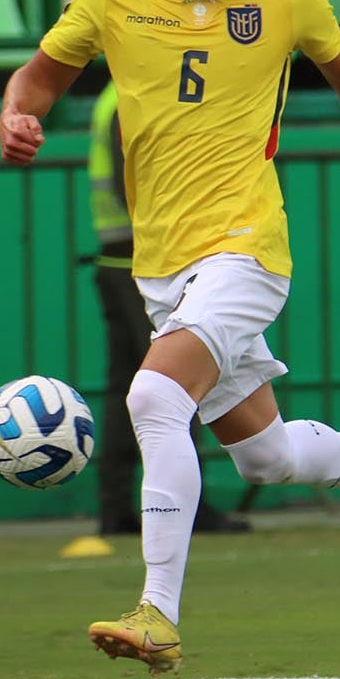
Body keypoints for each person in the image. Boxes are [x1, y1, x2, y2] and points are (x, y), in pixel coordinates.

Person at [0, 0, 340, 675]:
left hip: (245, 248)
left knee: (153, 395)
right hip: (161, 265)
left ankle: (158, 613)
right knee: (265, 457)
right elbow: (40, 76)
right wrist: (16, 114)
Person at [86, 81, 250, 536]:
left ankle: (116, 507)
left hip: (121, 259)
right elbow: (132, 185)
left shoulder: (113, 96)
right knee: (178, 384)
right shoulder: (131, 96)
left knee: (129, 388)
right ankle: (184, 506)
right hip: (147, 262)